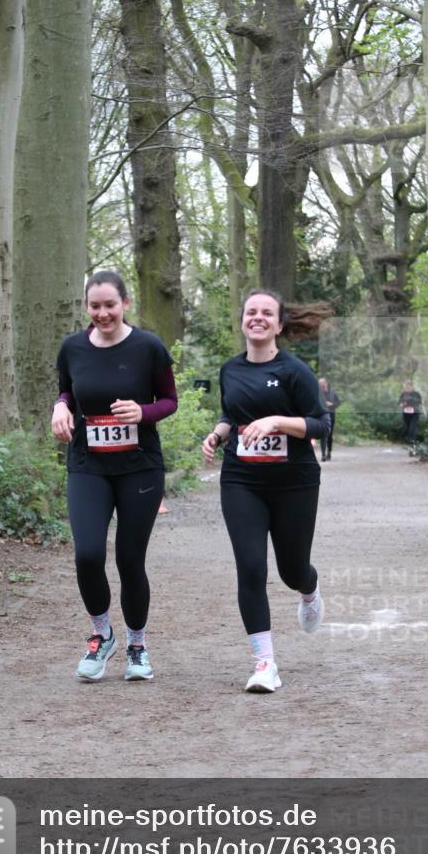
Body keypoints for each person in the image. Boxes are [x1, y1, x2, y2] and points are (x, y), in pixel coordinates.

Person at [201, 289, 330, 694]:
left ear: (278, 324)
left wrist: (277, 420)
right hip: (242, 480)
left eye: (266, 313)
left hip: (294, 481)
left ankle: (309, 590)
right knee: (251, 568)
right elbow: (232, 414)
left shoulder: (294, 371)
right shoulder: (230, 370)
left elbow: (320, 424)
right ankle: (265, 663)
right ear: (242, 320)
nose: (257, 318)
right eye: (250, 312)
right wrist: (219, 434)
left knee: (292, 570)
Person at [52, 271, 177, 682]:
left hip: (139, 466)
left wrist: (144, 412)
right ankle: (101, 634)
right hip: (88, 464)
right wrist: (61, 406)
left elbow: (169, 401)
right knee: (88, 553)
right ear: (86, 307)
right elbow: (68, 389)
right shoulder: (72, 347)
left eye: (110, 305)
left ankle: (137, 644)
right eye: (95, 306)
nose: (103, 313)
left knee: (128, 558)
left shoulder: (148, 347)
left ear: (125, 303)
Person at [318, 377, 341, 462]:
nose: (321, 386)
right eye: (319, 385)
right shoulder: (318, 393)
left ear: (325, 383)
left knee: (329, 435)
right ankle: (323, 454)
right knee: (323, 435)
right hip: (322, 415)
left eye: (322, 384)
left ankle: (329, 452)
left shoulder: (332, 392)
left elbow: (338, 403)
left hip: (331, 415)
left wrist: (331, 404)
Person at [398, 379, 425, 451]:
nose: (407, 388)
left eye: (408, 387)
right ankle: (412, 443)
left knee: (412, 429)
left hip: (415, 414)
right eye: (406, 387)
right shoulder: (403, 394)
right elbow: (400, 404)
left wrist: (424, 411)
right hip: (406, 414)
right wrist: (403, 404)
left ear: (412, 387)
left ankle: (413, 444)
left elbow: (421, 403)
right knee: (408, 429)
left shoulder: (416, 394)